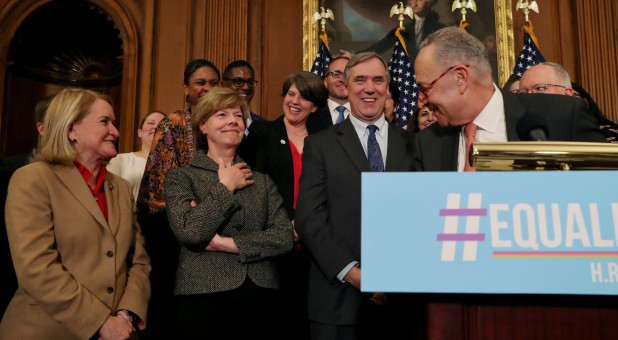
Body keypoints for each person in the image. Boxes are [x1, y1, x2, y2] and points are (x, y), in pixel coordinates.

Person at [0, 88, 151, 339]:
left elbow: (138, 262)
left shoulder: (121, 188)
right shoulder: (32, 179)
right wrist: (101, 322)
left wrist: (126, 315)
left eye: (114, 123)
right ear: (71, 129)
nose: (115, 131)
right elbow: (36, 268)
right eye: (105, 122)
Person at [295, 52, 415, 340]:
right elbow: (310, 217)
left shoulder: (415, 144)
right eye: (360, 80)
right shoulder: (320, 145)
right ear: (345, 88)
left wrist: (393, 277)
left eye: (378, 80)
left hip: (403, 301)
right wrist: (353, 273)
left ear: (388, 87)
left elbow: (421, 215)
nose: (369, 88)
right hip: (336, 299)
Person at [164, 87, 294, 339]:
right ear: (203, 125)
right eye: (222, 115)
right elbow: (190, 232)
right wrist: (226, 186)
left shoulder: (262, 181)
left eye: (237, 115)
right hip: (202, 294)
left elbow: (283, 237)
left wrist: (226, 243)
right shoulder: (181, 177)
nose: (233, 120)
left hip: (260, 296)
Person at [412, 27, 605, 172]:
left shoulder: (562, 117)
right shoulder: (427, 144)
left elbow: (606, 193)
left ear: (461, 78)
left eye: (424, 88)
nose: (420, 101)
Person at [136, 58, 220, 339]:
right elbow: (157, 187)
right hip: (172, 236)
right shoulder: (173, 124)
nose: (207, 88)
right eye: (200, 83)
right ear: (186, 89)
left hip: (217, 238)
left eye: (213, 83)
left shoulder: (226, 123)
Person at [247, 71, 328, 340]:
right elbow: (257, 187)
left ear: (314, 106)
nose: (294, 101)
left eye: (303, 97)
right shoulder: (263, 133)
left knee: (309, 322)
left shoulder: (325, 140)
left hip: (316, 246)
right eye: (291, 94)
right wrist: (285, 224)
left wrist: (308, 224)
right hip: (275, 244)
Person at [107, 110, 165, 201]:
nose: (157, 126)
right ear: (140, 132)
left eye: (162, 123)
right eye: (150, 123)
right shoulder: (119, 160)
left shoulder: (176, 166)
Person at [363, 0, 444, 62]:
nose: (415, 4)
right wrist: (356, 55)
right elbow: (381, 46)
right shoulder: (403, 29)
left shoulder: (440, 29)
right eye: (412, 0)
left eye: (420, 0)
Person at [307, 56, 350, 132]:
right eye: (336, 74)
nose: (342, 79)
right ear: (326, 82)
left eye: (347, 74)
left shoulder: (367, 113)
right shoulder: (308, 116)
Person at [221, 60, 265, 131]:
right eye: (238, 81)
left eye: (250, 82)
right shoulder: (213, 122)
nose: (246, 87)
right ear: (223, 85)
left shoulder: (264, 125)